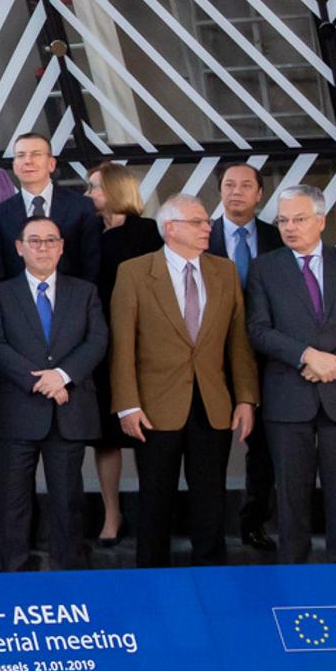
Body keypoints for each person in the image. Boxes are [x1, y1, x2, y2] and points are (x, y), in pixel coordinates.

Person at [111, 194, 258, 567]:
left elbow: (238, 341)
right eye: (198, 222)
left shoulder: (224, 271)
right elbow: (122, 344)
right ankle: (153, 580)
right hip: (154, 407)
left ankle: (211, 579)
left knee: (211, 498)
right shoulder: (134, 272)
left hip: (213, 405)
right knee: (155, 497)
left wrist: (245, 398)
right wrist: (127, 404)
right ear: (170, 228)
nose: (208, 227)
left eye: (207, 221)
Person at [246, 185, 336, 564]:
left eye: (299, 219)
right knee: (291, 498)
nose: (289, 227)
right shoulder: (264, 267)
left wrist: (335, 362)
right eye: (283, 220)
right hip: (288, 399)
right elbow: (258, 329)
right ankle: (295, 579)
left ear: (321, 221)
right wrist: (306, 355)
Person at [0, 216, 107, 572]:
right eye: (34, 241)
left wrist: (63, 376)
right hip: (19, 411)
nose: (43, 248)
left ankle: (67, 573)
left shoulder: (84, 291)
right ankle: (14, 574)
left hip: (69, 411)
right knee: (13, 501)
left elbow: (97, 340)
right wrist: (41, 381)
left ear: (62, 246)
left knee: (68, 501)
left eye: (51, 240)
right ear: (19, 248)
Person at [83, 162, 162, 549]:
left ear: (115, 189)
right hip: (100, 344)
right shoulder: (88, 232)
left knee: (148, 432)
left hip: (142, 344)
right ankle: (111, 514)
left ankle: (150, 514)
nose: (87, 195)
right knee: (105, 436)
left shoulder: (147, 233)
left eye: (94, 187)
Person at [205, 163, 281, 552]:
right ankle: (210, 528)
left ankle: (253, 523)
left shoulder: (277, 236)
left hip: (267, 357)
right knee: (209, 445)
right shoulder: (202, 236)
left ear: (259, 194)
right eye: (228, 185)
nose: (236, 191)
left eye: (245, 185)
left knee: (264, 446)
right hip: (209, 358)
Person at [0, 132, 101, 282]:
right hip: (17, 302)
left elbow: (92, 264)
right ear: (14, 165)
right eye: (20, 155)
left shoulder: (81, 206)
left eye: (36, 154)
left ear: (51, 164)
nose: (27, 161)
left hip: (75, 300)